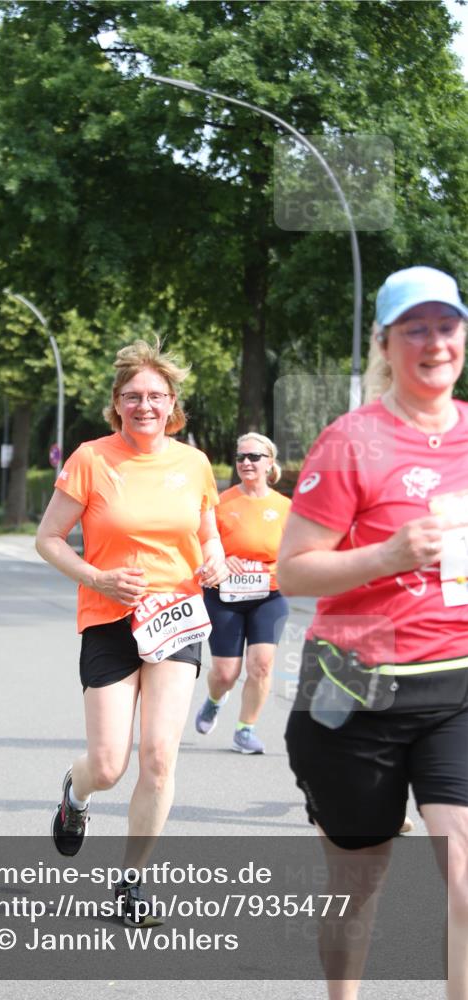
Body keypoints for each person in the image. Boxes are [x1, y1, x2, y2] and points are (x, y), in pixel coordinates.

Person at [278, 266, 468, 999]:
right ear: (384, 343)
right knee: (358, 885)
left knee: (460, 875)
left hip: (455, 688)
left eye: (445, 326)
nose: (433, 343)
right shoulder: (350, 441)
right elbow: (292, 571)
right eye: (413, 329)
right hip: (355, 691)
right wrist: (388, 556)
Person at [36, 338, 227, 925]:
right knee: (110, 763)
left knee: (160, 756)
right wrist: (98, 576)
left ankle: (132, 883)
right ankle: (77, 792)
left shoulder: (193, 463)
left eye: (156, 396)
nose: (145, 406)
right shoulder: (92, 459)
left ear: (173, 404)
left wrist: (215, 560)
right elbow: (47, 539)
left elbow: (208, 534)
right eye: (133, 397)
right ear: (116, 404)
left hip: (176, 619)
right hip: (110, 619)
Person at [195, 433, 291, 753]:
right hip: (225, 595)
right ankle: (214, 699)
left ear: (270, 464)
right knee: (225, 673)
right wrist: (221, 558)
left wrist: (271, 570)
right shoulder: (221, 503)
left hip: (270, 595)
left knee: (261, 664)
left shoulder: (284, 507)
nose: (246, 463)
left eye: (254, 457)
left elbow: (295, 554)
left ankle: (245, 730)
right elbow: (201, 544)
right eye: (240, 457)